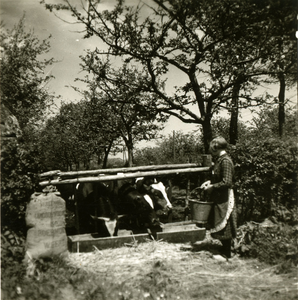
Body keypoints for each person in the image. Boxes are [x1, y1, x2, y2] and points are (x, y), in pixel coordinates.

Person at [201, 136, 237, 259]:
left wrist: (212, 187)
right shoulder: (219, 160)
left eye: (212, 148)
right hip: (219, 195)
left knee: (224, 222)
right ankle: (225, 249)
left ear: (216, 147)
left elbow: (227, 182)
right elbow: (217, 177)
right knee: (219, 220)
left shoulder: (226, 161)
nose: (210, 150)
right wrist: (208, 182)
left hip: (225, 196)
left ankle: (227, 253)